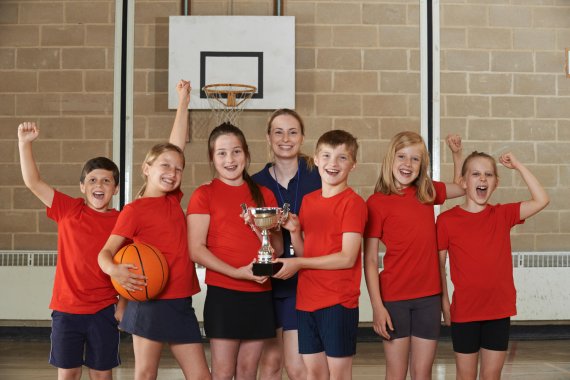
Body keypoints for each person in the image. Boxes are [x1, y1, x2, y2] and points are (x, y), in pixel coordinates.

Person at [98, 80, 211, 380]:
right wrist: (116, 272)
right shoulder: (134, 210)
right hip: (148, 301)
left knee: (201, 375)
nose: (171, 173)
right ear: (147, 168)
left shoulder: (174, 199)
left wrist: (183, 102)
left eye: (177, 169)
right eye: (164, 166)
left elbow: (176, 146)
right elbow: (105, 253)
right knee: (146, 374)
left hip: (180, 302)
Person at [18, 121, 121, 380]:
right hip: (67, 309)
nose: (99, 184)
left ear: (115, 189)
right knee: (69, 373)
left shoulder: (123, 221)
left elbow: (132, 265)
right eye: (93, 180)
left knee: (102, 374)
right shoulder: (68, 209)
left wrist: (125, 306)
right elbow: (33, 182)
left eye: (106, 180)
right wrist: (24, 144)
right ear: (82, 187)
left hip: (104, 309)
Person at [437, 151, 549, 380]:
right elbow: (439, 266)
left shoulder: (502, 214)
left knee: (491, 375)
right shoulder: (447, 220)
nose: (482, 179)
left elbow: (541, 199)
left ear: (496, 183)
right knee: (465, 375)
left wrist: (518, 164)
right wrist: (444, 303)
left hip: (498, 310)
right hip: (465, 311)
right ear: (463, 182)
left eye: (488, 174)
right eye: (475, 174)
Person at [363, 131, 464, 380]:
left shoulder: (426, 192)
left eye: (415, 159)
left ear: (422, 166)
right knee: (396, 373)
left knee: (422, 373)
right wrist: (377, 307)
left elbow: (462, 187)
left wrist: (457, 154)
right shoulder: (376, 202)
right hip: (394, 299)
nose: (407, 164)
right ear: (390, 159)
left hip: (428, 298)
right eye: (402, 156)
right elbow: (371, 260)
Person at [187, 122, 283, 380]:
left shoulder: (264, 195)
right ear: (212, 158)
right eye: (221, 153)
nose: (230, 159)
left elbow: (278, 248)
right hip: (224, 294)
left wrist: (263, 237)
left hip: (259, 291)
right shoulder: (203, 194)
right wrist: (237, 273)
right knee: (223, 371)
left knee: (247, 370)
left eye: (236, 152)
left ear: (247, 154)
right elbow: (196, 249)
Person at [273, 129, 367, 380]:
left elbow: (347, 257)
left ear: (353, 165)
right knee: (314, 374)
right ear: (315, 159)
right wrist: (294, 232)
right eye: (326, 156)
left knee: (338, 375)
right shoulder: (309, 200)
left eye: (342, 158)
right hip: (306, 301)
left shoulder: (353, 203)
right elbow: (306, 252)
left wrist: (298, 262)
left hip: (338, 301)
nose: (332, 164)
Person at [252, 109, 321, 380]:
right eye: (278, 132)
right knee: (269, 364)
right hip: (268, 283)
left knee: (297, 367)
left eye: (292, 132)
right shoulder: (256, 182)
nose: (285, 138)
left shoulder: (318, 176)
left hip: (303, 281)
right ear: (268, 138)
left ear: (302, 137)